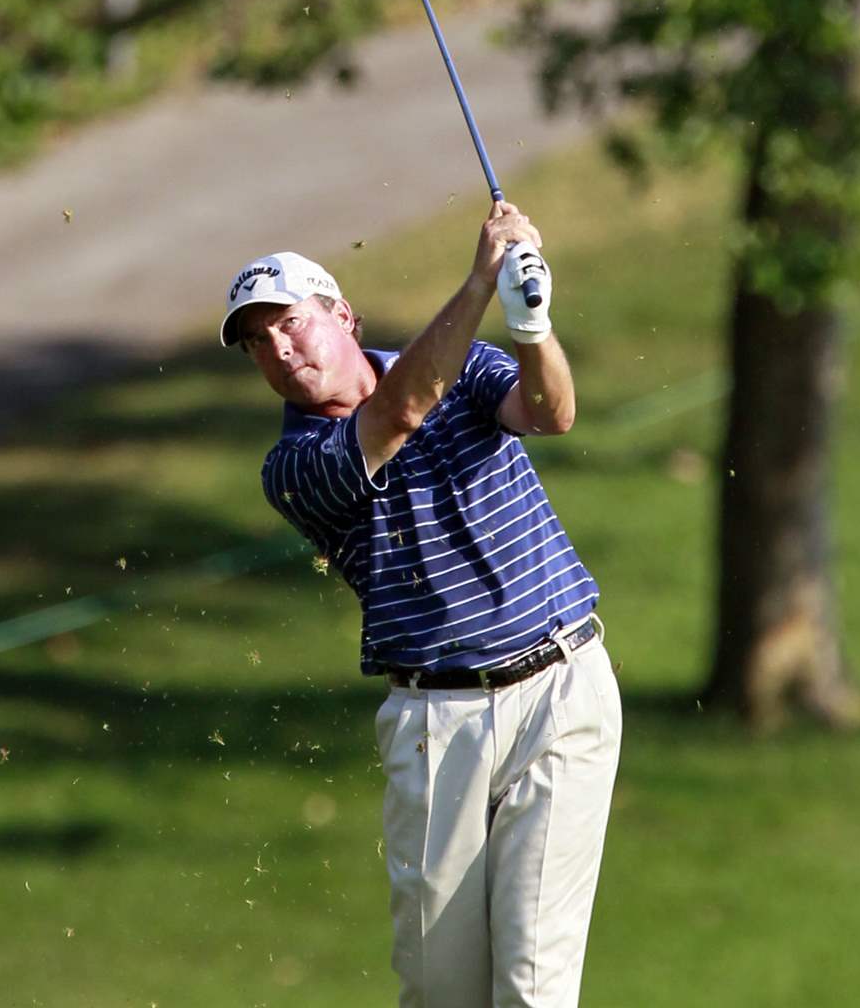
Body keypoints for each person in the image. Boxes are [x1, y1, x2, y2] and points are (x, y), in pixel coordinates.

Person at [220, 202, 622, 1007]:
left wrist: (531, 324)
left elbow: (552, 413)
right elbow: (401, 411)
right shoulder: (294, 466)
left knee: (533, 987)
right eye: (258, 342)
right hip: (438, 724)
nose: (280, 350)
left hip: (560, 691)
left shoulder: (465, 366)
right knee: (443, 992)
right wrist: (479, 283)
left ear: (343, 315)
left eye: (291, 324)